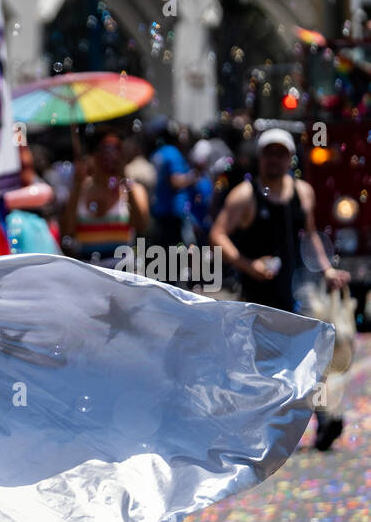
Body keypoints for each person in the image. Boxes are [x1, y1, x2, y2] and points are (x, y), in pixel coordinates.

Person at [208, 127, 352, 449]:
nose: (274, 159)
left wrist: (327, 269)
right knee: (263, 367)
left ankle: (323, 420)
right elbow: (218, 234)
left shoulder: (303, 192)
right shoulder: (245, 195)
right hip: (259, 296)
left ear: (290, 158)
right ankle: (252, 430)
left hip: (297, 291)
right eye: (268, 153)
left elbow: (311, 234)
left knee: (308, 359)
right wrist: (247, 264)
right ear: (260, 158)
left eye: (280, 153)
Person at [60, 129, 148, 269]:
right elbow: (67, 231)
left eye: (117, 149)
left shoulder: (134, 190)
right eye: (104, 149)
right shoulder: (80, 190)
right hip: (89, 273)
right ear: (92, 155)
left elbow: (141, 225)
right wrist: (77, 185)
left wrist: (124, 177)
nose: (111, 155)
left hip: (123, 273)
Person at [149, 118, 197, 249]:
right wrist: (193, 177)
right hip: (174, 211)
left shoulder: (157, 154)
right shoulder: (173, 153)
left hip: (159, 209)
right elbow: (175, 181)